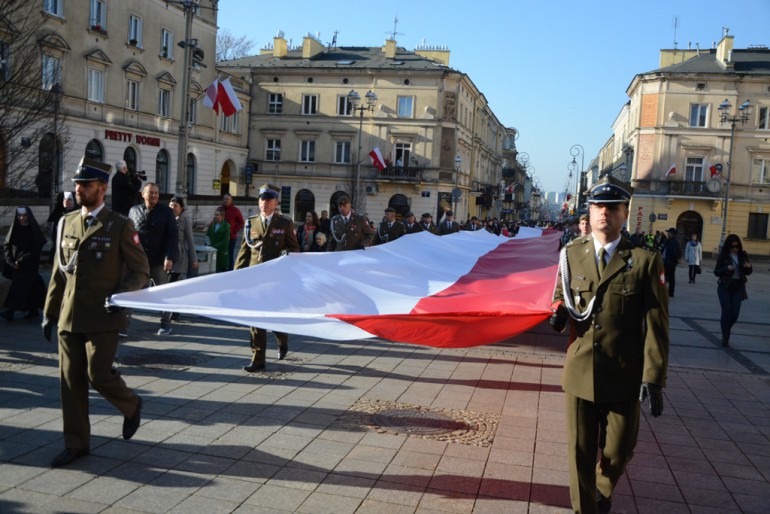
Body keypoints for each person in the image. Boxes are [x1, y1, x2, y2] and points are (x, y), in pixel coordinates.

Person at [550, 176, 669, 514]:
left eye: (613, 207)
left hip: (624, 372)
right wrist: (558, 311)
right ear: (590, 210)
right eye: (599, 206)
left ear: (624, 213)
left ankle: (603, 487)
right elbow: (561, 295)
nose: (605, 213)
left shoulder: (645, 261)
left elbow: (657, 324)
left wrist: (654, 377)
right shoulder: (572, 254)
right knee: (579, 453)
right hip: (581, 370)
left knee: (619, 451)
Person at [42, 158, 149, 468]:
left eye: (86, 185)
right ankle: (76, 444)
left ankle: (131, 404)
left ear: (102, 189)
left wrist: (120, 298)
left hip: (104, 317)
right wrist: (49, 312)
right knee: (70, 383)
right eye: (77, 184)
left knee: (97, 375)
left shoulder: (119, 225)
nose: (79, 189)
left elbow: (140, 270)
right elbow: (58, 274)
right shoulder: (67, 222)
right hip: (69, 317)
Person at [235, 184, 300, 371]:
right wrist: (236, 277)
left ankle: (282, 339)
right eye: (262, 199)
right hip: (255, 280)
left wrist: (286, 253)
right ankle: (257, 359)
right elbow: (243, 253)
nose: (264, 203)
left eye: (268, 199)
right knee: (255, 320)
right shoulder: (251, 223)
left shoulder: (285, 223)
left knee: (275, 317)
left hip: (276, 279)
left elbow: (295, 249)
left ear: (275, 202)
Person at [129, 183, 178, 335]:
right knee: (130, 291)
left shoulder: (166, 212)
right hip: (138, 261)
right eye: (151, 193)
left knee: (162, 293)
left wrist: (169, 257)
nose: (154, 195)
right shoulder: (133, 211)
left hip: (158, 261)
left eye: (156, 193)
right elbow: (129, 235)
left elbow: (173, 237)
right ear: (143, 194)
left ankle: (166, 323)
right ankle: (123, 324)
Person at [2, 207, 46, 321]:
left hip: (29, 264)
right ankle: (33, 310)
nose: (22, 218)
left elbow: (37, 246)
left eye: (24, 216)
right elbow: (7, 245)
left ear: (29, 216)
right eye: (19, 216)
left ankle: (10, 311)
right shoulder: (15, 228)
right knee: (31, 287)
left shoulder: (33, 230)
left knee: (18, 287)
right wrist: (10, 261)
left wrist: (22, 260)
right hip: (16, 264)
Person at [714, 234, 752, 347]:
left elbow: (748, 272)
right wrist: (726, 268)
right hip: (724, 287)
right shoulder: (724, 256)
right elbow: (716, 271)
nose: (735, 249)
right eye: (732, 247)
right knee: (726, 312)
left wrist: (749, 266)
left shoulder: (742, 255)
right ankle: (725, 337)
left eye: (737, 247)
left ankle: (726, 328)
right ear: (728, 247)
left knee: (735, 314)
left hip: (738, 287)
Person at [46, 192, 78, 263]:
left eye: (69, 199)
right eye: (64, 199)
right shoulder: (58, 215)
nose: (66, 201)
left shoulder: (78, 215)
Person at [221, 194, 244, 271]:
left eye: (227, 199)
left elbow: (241, 222)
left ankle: (230, 271)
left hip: (231, 237)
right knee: (221, 254)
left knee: (230, 254)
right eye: (224, 199)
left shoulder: (235, 210)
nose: (225, 200)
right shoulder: (220, 209)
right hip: (220, 237)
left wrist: (234, 231)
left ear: (231, 201)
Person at [206, 209, 231, 273]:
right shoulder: (212, 225)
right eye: (215, 214)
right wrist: (208, 245)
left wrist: (213, 247)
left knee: (220, 270)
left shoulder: (226, 226)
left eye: (217, 215)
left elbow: (225, 241)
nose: (215, 216)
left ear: (222, 216)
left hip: (221, 252)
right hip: (210, 251)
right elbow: (207, 235)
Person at [662, 227, 681, 297]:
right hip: (666, 261)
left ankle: (670, 292)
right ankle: (665, 291)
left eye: (668, 232)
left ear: (672, 234)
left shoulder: (675, 241)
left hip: (671, 262)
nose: (667, 233)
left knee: (670, 278)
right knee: (665, 277)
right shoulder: (668, 240)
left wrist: (675, 260)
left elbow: (678, 252)